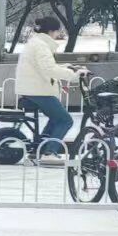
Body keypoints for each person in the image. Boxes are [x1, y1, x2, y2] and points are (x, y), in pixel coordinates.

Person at [16, 17, 74, 164]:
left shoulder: (36, 43)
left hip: (33, 89)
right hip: (38, 91)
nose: (58, 35)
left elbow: (45, 66)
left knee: (56, 118)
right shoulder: (41, 46)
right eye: (57, 32)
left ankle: (40, 150)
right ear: (51, 31)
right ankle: (50, 152)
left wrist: (66, 68)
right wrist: (73, 76)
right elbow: (48, 69)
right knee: (65, 120)